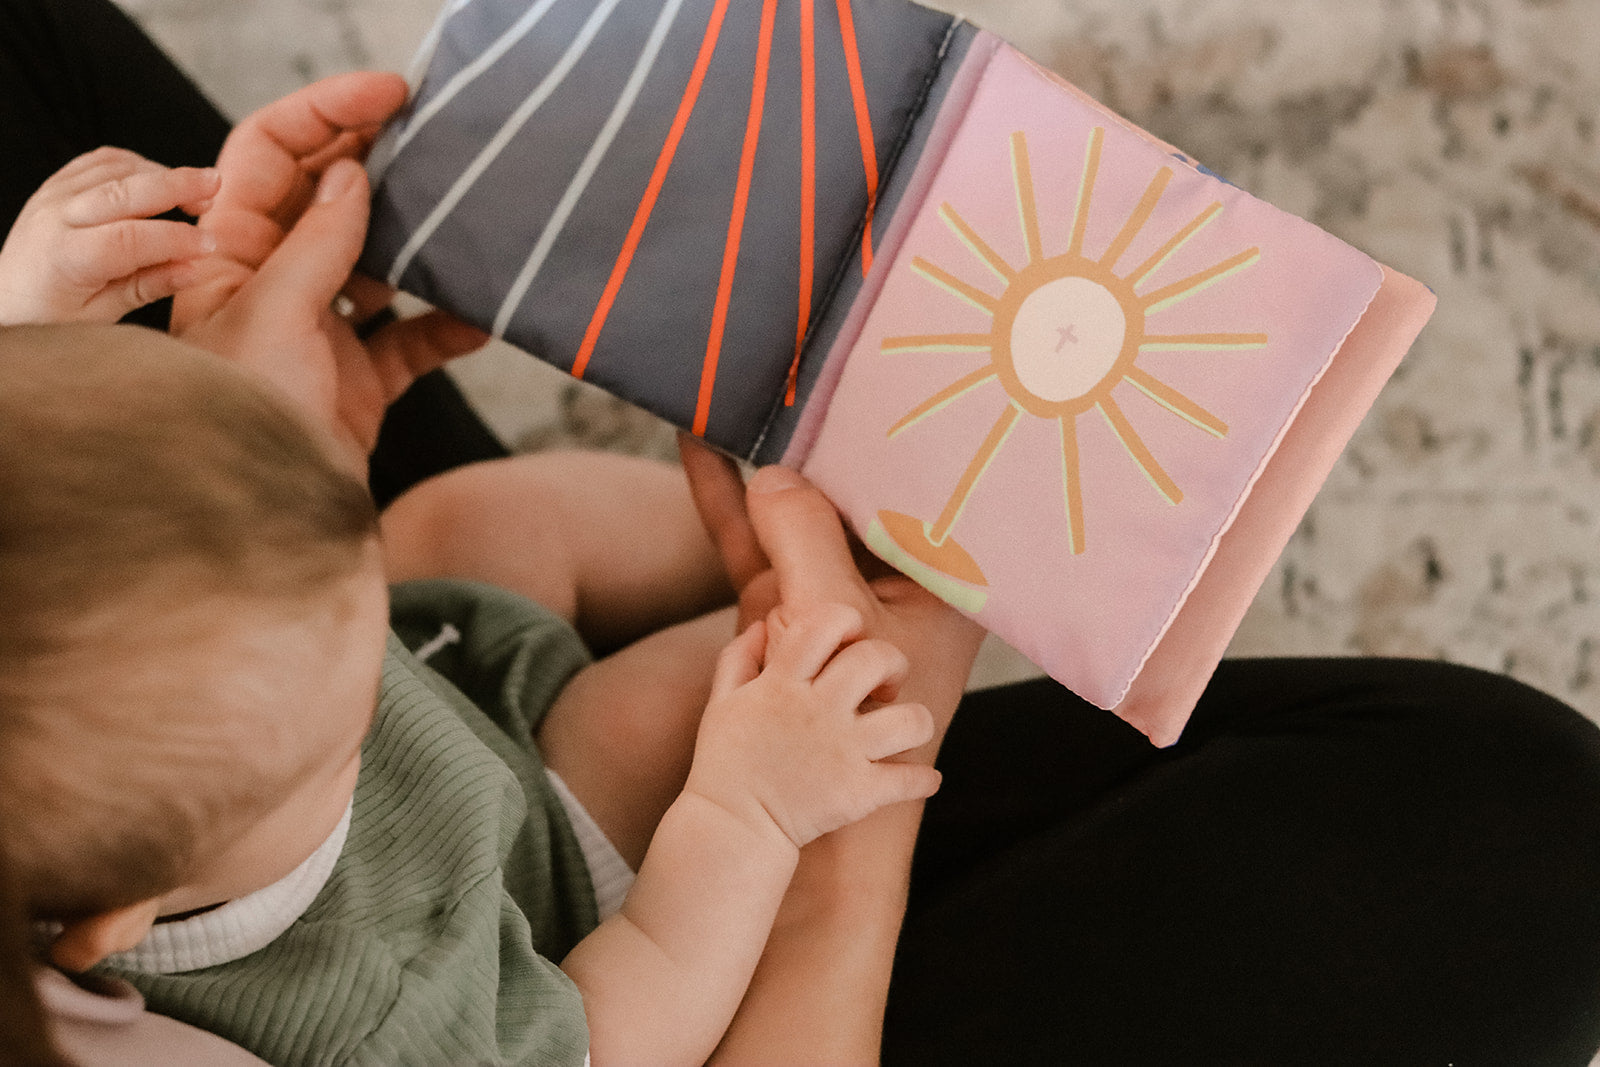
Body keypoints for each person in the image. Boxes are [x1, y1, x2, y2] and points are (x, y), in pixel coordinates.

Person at [2, 1, 1599, 1062]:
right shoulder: (393, 1023)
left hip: (446, 726)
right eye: (334, 719)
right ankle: (845, 589)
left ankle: (799, 513)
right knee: (761, 699)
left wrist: (63, 366)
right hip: (564, 896)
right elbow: (619, 1026)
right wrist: (768, 823)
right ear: (113, 935)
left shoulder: (207, 738)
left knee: (469, 522)